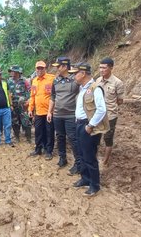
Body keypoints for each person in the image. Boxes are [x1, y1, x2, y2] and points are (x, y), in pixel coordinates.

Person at [70, 62, 109, 197]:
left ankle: (94, 185)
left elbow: (102, 109)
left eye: (76, 73)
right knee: (81, 153)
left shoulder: (95, 88)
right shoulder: (83, 88)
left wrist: (90, 125)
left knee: (89, 156)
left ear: (83, 73)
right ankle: (85, 178)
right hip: (80, 124)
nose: (74, 76)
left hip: (88, 126)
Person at [47, 56, 80, 172]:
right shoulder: (56, 80)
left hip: (71, 115)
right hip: (57, 115)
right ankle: (62, 158)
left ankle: (78, 163)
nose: (57, 69)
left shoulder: (76, 80)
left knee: (72, 139)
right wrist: (49, 112)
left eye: (58, 66)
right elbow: (53, 97)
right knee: (60, 137)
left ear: (65, 66)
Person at [96, 57, 125, 166]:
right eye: (100, 68)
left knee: (108, 138)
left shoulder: (117, 83)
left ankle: (105, 161)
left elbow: (120, 100)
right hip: (98, 114)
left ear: (111, 68)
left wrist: (109, 106)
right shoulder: (98, 81)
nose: (101, 70)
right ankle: (96, 155)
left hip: (110, 115)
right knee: (96, 136)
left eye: (104, 68)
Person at [28, 61, 55, 159]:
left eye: (41, 68)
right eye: (38, 68)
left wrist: (52, 110)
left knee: (49, 131)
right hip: (38, 112)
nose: (39, 70)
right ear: (36, 69)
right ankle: (38, 149)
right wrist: (30, 109)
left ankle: (49, 151)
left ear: (45, 68)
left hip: (49, 112)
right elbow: (32, 96)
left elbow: (54, 95)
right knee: (38, 131)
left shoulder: (52, 78)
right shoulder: (34, 80)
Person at [8, 65, 32, 143]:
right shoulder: (9, 81)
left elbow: (29, 91)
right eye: (11, 71)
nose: (12, 73)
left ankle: (28, 138)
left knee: (26, 121)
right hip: (13, 105)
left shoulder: (24, 80)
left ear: (18, 72)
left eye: (13, 71)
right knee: (15, 122)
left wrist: (27, 100)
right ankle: (17, 137)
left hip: (23, 105)